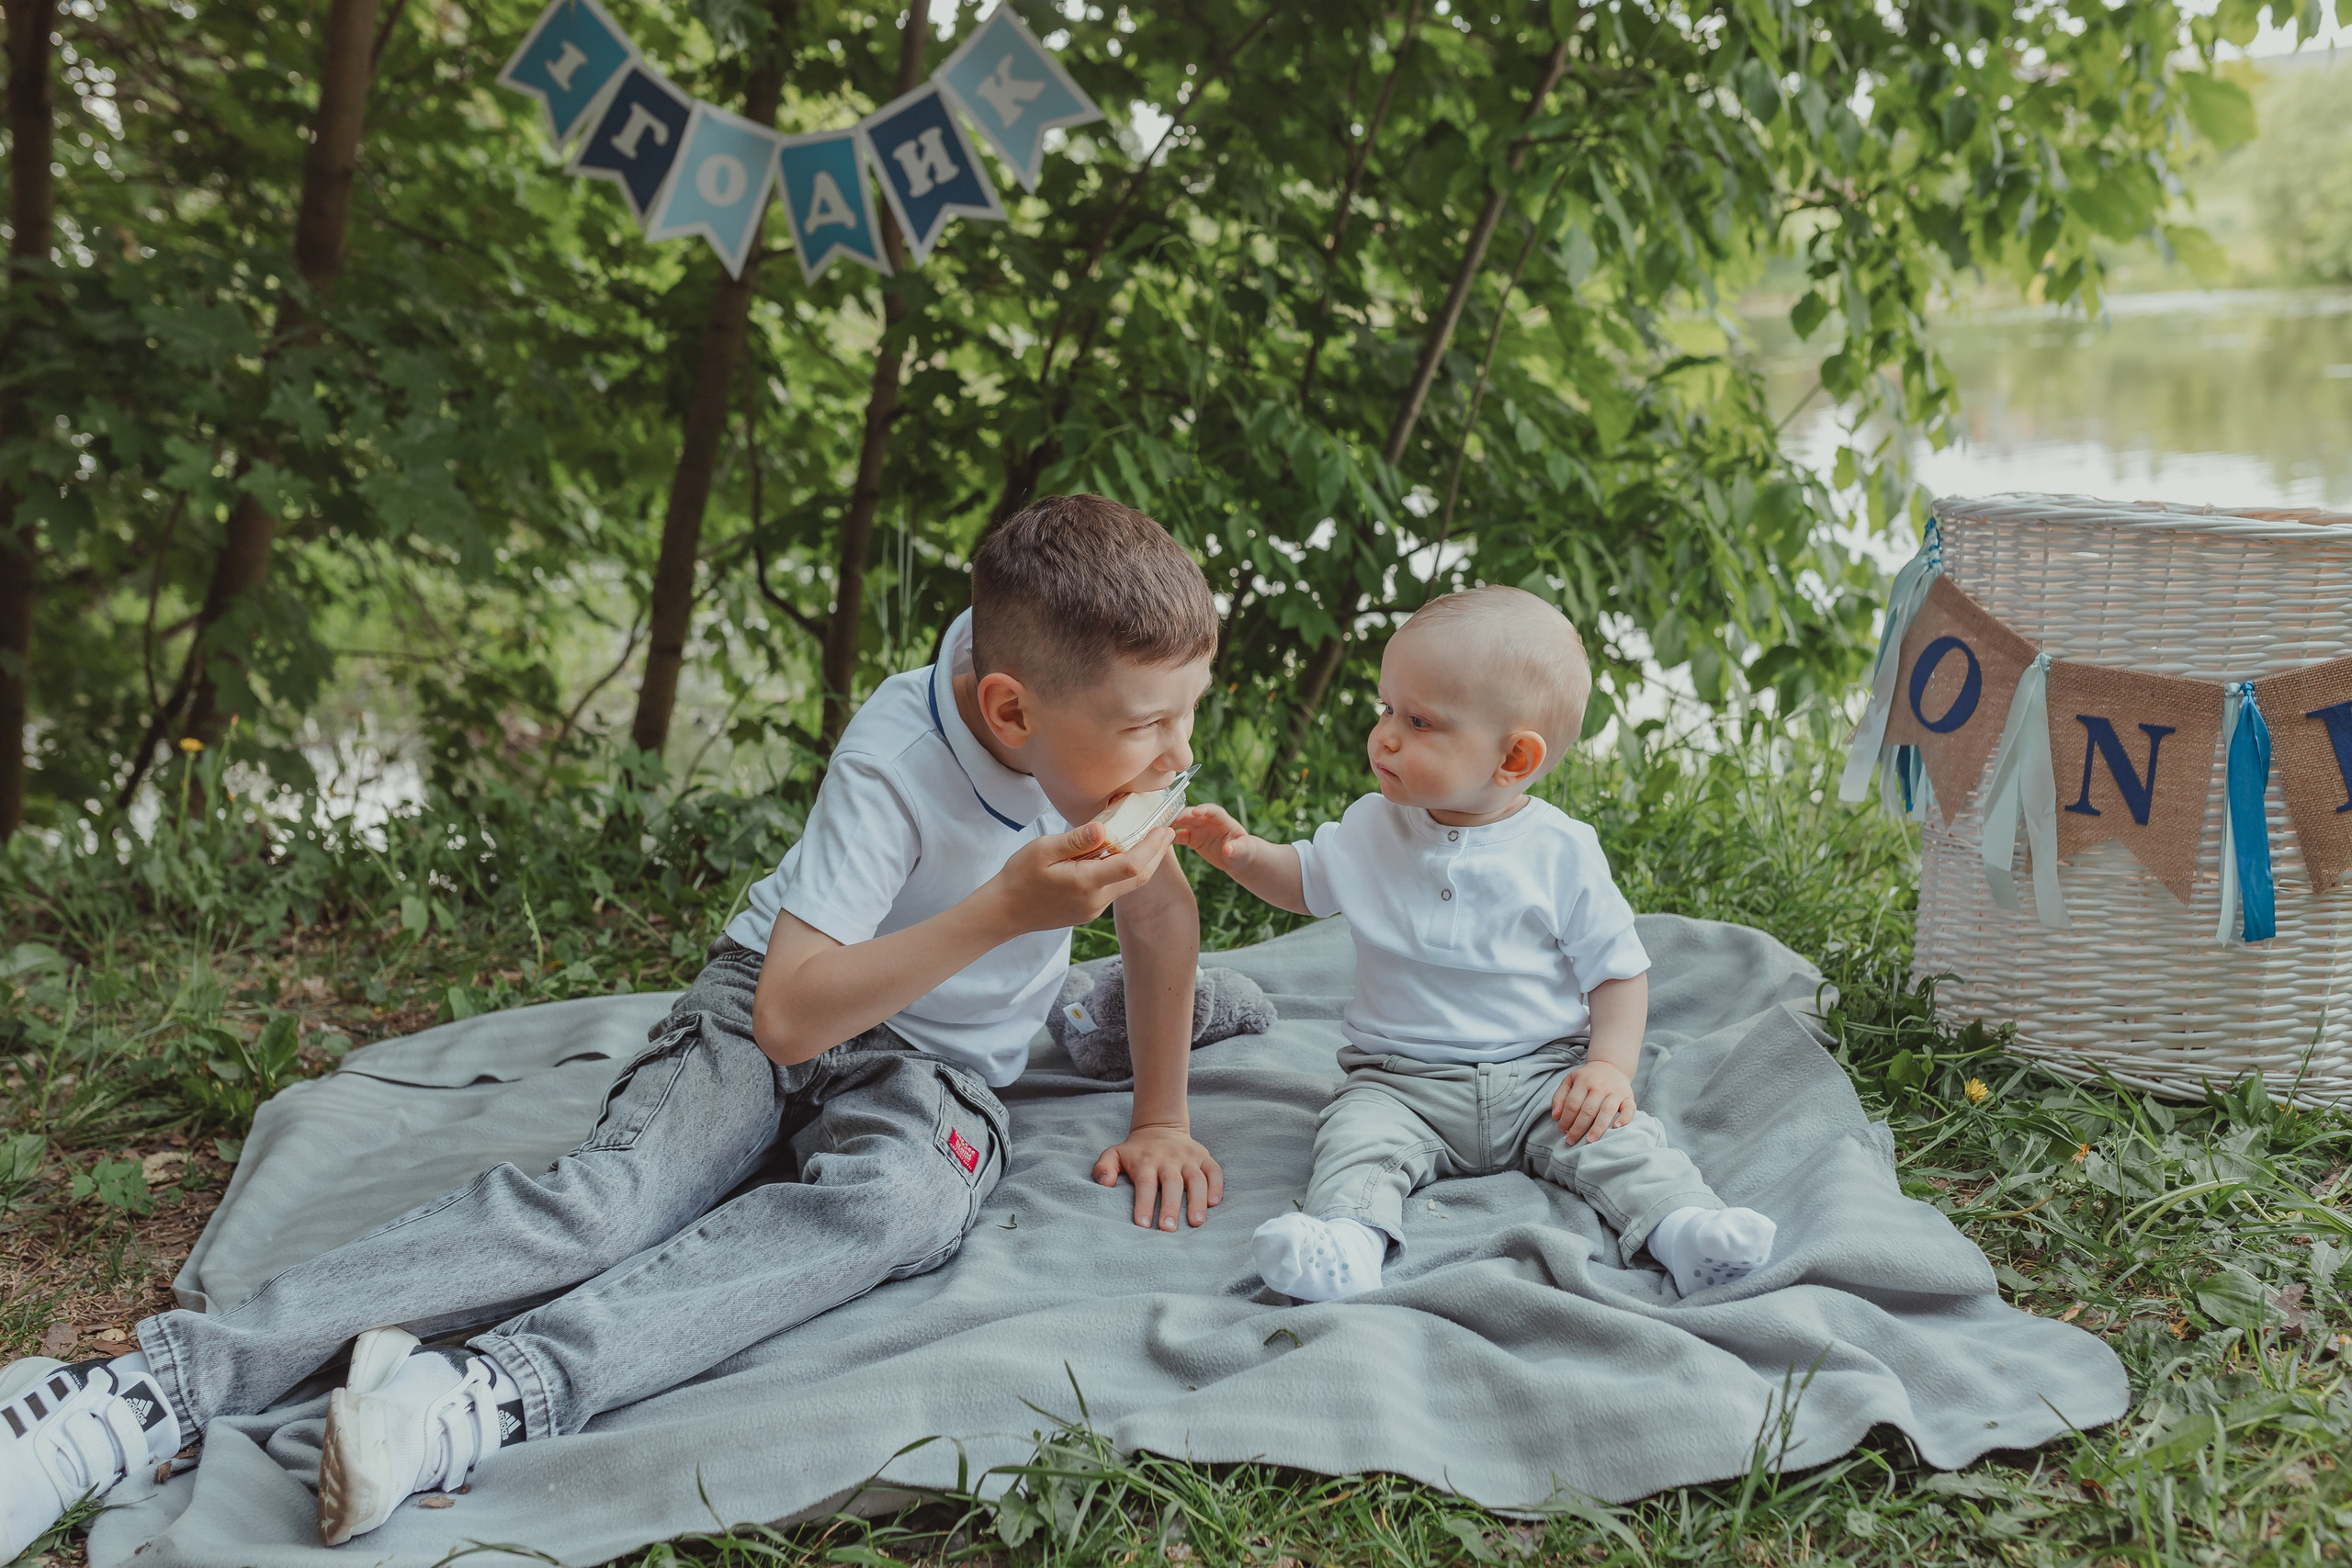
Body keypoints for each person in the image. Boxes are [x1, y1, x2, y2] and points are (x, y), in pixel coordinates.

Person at [0, 495, 1226, 1555]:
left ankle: (472, 1395)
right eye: (1148, 725)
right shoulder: (898, 751)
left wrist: (1161, 1112)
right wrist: (1003, 905)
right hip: (770, 1000)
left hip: (942, 1068)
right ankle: (134, 1395)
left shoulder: (1118, 758)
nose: (1179, 751)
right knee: (615, 1199)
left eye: (1191, 710)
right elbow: (793, 1014)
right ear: (1008, 711)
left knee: (902, 1204)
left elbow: (1161, 923)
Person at [1174, 586, 1775, 1304]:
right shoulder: (1372, 825)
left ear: (1515, 758)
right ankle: (1347, 1244)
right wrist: (1242, 853)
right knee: (1355, 1145)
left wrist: (1609, 1069)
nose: (1387, 735)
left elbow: (1618, 972)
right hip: (1399, 1081)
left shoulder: (1560, 851)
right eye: (1387, 709)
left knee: (1621, 1141)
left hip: (1541, 1076)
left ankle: (1687, 1231)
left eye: (1420, 720)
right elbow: (1307, 879)